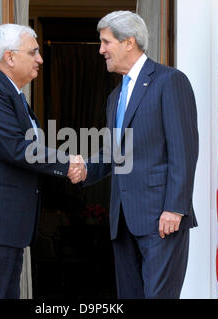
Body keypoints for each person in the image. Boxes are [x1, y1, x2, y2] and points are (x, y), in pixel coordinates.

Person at [0, 24, 85, 299]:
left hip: (4, 231)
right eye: (33, 52)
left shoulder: (13, 96)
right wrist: (67, 163)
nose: (40, 59)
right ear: (9, 57)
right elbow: (16, 148)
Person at [79, 11, 199, 298]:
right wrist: (80, 168)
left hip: (162, 218)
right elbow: (112, 153)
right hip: (123, 221)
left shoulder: (170, 81)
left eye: (106, 42)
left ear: (128, 42)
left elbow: (184, 149)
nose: (101, 50)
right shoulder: (115, 97)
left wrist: (175, 207)